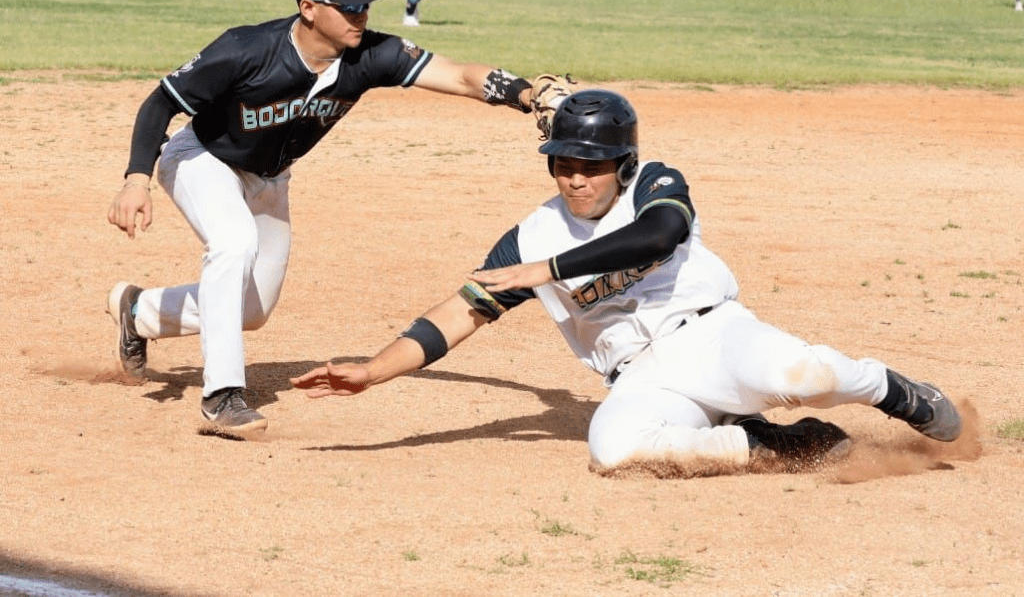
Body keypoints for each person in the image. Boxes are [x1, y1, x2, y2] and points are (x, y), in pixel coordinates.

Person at [291, 89, 963, 470]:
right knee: (613, 451)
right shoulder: (532, 235)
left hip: (712, 336)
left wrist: (548, 273)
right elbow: (460, 312)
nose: (576, 177)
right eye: (563, 164)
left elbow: (660, 236)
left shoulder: (654, 184)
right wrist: (372, 372)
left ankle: (892, 389)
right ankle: (771, 443)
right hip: (643, 377)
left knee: (806, 375)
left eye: (593, 163)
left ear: (624, 161)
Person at [106, 0, 541, 436]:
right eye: (348, 4)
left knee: (252, 309)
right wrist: (136, 179)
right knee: (233, 245)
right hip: (202, 159)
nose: (361, 14)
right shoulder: (246, 49)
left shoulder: (372, 55)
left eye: (365, 3)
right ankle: (222, 399)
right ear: (308, 8)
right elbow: (160, 103)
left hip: (271, 177)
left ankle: (138, 311)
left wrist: (526, 93)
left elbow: (461, 77)